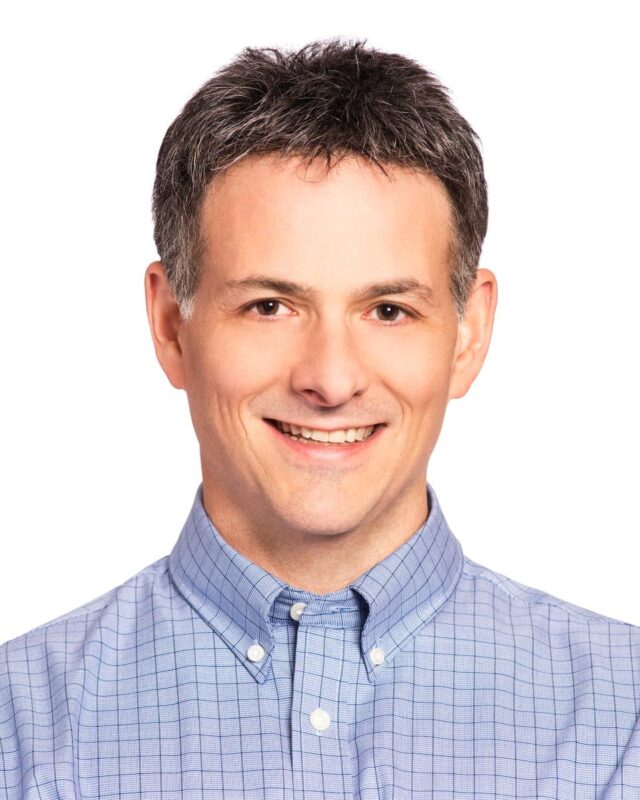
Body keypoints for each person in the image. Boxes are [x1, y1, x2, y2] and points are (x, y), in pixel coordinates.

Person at [1, 38, 638, 800]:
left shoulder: (620, 716)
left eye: (389, 310)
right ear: (172, 324)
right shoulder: (21, 725)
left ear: (469, 333)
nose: (330, 380)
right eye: (270, 306)